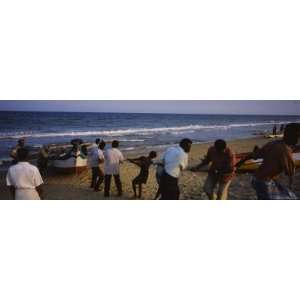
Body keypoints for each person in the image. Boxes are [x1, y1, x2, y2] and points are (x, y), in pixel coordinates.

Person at [237, 123, 300, 199]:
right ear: (294, 136)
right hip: (264, 182)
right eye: (298, 136)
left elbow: (254, 154)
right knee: (291, 197)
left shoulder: (273, 143)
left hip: (255, 179)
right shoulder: (286, 150)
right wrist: (290, 186)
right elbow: (290, 173)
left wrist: (240, 162)